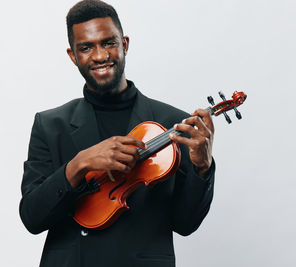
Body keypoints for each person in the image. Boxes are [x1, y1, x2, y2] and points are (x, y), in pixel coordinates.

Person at [19, 1, 215, 266]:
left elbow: (185, 223)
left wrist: (202, 168)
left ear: (125, 44)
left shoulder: (171, 122)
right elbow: (32, 218)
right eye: (86, 47)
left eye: (108, 43)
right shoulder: (50, 125)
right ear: (73, 55)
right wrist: (79, 164)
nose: (100, 56)